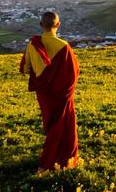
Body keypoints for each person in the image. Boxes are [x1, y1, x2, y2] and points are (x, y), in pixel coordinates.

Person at [19, 11, 79, 171]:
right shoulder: (64, 46)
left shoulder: (32, 45)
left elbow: (26, 69)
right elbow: (73, 74)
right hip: (62, 95)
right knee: (63, 126)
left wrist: (41, 71)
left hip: (44, 95)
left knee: (51, 126)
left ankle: (51, 161)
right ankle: (62, 161)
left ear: (41, 25)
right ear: (58, 25)